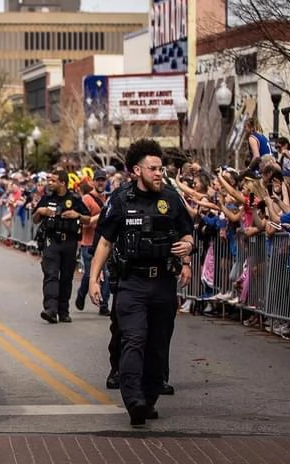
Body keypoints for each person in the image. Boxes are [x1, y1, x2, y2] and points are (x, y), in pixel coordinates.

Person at [88, 138, 194, 426]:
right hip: (132, 283)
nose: (160, 173)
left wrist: (187, 251)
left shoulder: (171, 199)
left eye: (161, 168)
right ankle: (133, 399)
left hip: (163, 283)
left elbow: (187, 233)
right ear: (137, 171)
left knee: (158, 345)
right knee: (133, 339)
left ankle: (147, 399)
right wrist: (93, 279)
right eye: (154, 168)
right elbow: (105, 242)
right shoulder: (121, 200)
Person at [33, 170, 89, 324]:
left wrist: (76, 215)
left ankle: (63, 311)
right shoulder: (46, 199)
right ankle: (50, 309)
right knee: (50, 274)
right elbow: (35, 219)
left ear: (62, 183)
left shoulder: (75, 200)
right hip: (52, 242)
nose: (49, 183)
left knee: (66, 277)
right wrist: (40, 211)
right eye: (49, 180)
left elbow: (88, 219)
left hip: (69, 243)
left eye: (53, 180)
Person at [74, 175, 109, 315]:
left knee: (105, 274)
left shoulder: (107, 199)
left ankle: (104, 305)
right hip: (88, 242)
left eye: (103, 180)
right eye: (98, 180)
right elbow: (84, 222)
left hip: (104, 243)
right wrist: (100, 216)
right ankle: (81, 294)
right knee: (90, 274)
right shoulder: (86, 199)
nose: (101, 183)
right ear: (93, 182)